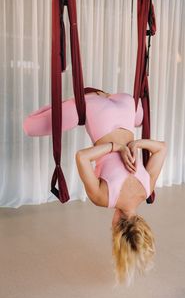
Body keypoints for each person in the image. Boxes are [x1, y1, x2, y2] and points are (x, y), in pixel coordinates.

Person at [23, 89, 167, 286]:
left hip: (127, 105)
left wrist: (135, 144)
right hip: (96, 109)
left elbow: (162, 148)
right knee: (30, 127)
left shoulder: (147, 189)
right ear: (116, 228)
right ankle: (86, 97)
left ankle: (100, 95)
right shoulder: (104, 198)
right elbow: (81, 156)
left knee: (141, 118)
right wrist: (115, 147)